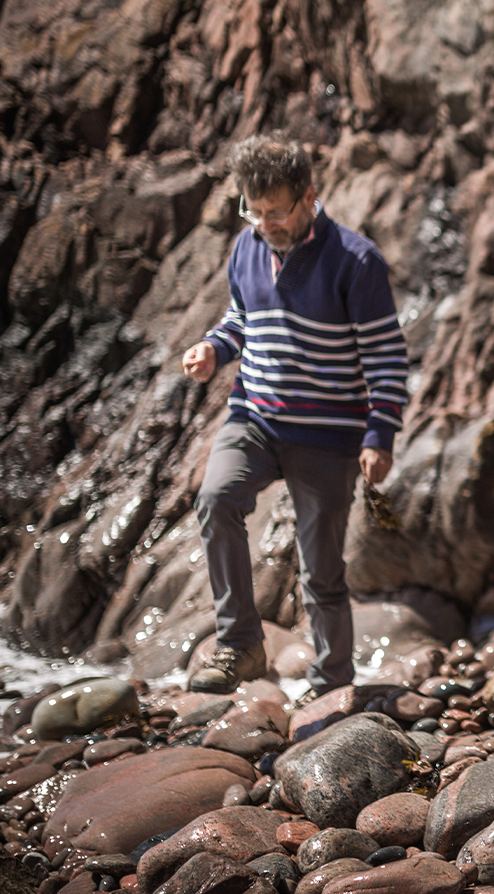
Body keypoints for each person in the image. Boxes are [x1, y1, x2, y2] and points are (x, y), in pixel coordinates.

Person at [179, 133, 409, 695]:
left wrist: (380, 434)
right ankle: (241, 647)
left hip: (328, 435)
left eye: (276, 212)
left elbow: (386, 357)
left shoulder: (357, 262)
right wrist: (214, 348)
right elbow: (241, 319)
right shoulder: (247, 247)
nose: (265, 224)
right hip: (254, 417)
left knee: (321, 567)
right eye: (253, 212)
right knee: (215, 500)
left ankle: (332, 680)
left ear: (309, 197)